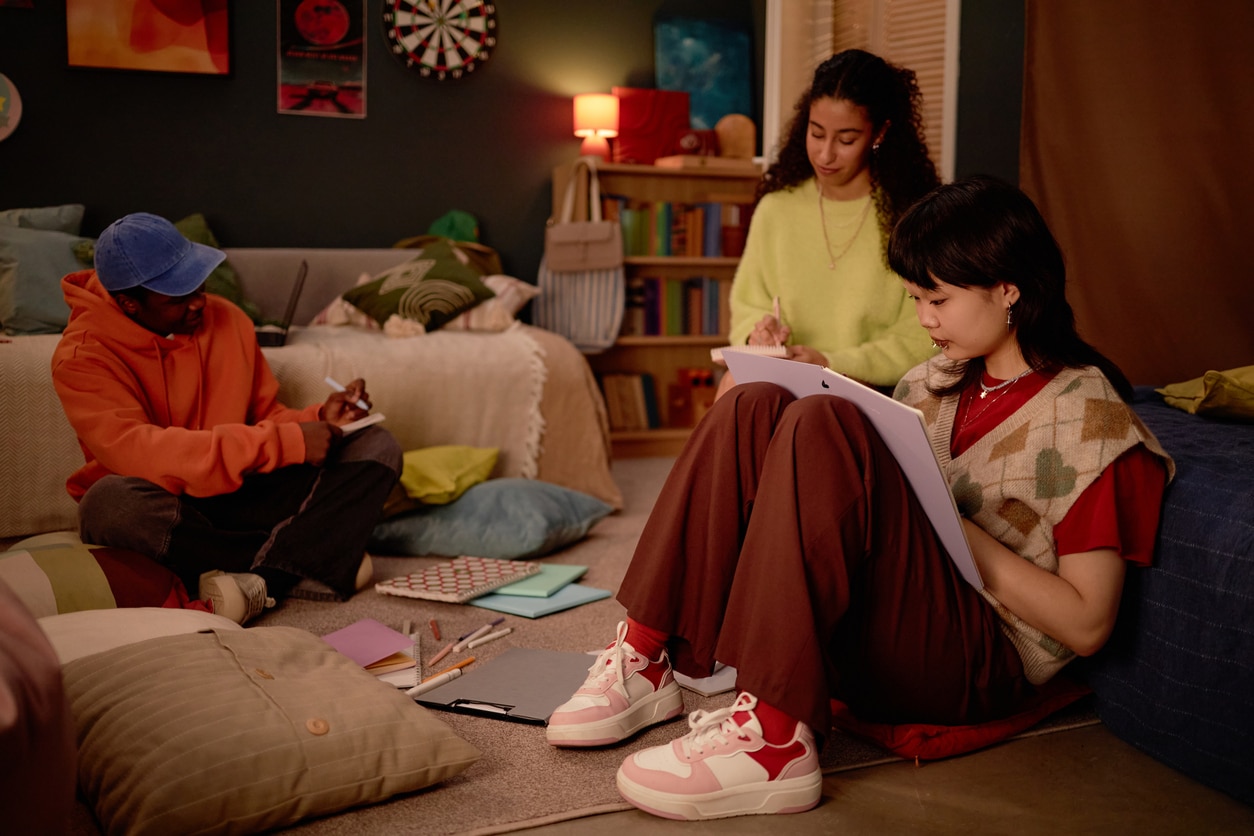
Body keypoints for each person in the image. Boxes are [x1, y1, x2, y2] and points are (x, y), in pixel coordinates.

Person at [545, 176, 1173, 821]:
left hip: (979, 659)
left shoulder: (1087, 417)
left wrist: (954, 531)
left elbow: (1088, 626)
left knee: (826, 421)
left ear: (1008, 287)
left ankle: (774, 745)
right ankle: (646, 658)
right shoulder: (929, 384)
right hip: (889, 629)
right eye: (914, 299)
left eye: (939, 299)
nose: (924, 320)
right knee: (753, 401)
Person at [51, 212, 402, 624]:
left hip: (241, 491)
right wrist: (287, 442)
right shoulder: (82, 357)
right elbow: (141, 455)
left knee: (376, 447)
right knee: (108, 506)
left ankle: (263, 581)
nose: (199, 301)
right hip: (175, 508)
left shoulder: (228, 318)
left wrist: (319, 418)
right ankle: (311, 556)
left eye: (199, 284)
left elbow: (263, 416)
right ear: (129, 302)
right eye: (178, 298)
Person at [717, 48, 940, 399]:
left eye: (846, 140)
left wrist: (830, 362)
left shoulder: (913, 218)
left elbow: (922, 337)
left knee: (809, 410)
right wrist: (758, 337)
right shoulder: (777, 210)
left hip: (869, 387)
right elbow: (747, 305)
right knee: (737, 390)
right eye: (817, 133)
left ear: (879, 133)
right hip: (784, 378)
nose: (825, 155)